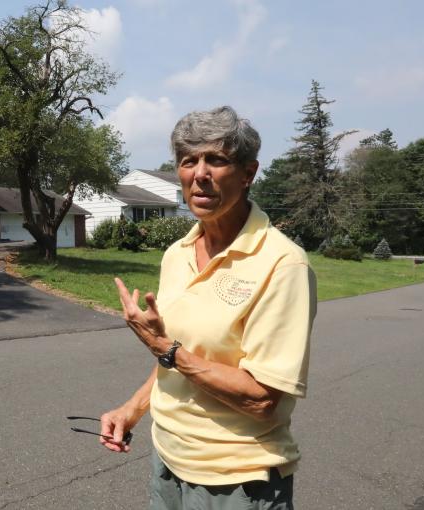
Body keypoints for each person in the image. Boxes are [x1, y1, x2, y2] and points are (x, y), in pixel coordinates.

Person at [100, 106, 316, 509]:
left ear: (248, 173)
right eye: (188, 161)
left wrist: (165, 349)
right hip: (168, 464)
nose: (200, 173)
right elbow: (176, 353)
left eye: (216, 159)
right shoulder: (176, 253)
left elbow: (263, 400)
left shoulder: (283, 264)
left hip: (236, 481)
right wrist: (132, 409)